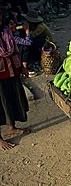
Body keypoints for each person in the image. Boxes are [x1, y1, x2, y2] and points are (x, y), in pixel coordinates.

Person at [0, 11, 30, 150]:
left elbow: (16, 50)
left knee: (12, 100)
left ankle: (11, 127)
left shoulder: (6, 31)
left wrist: (23, 68)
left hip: (12, 72)